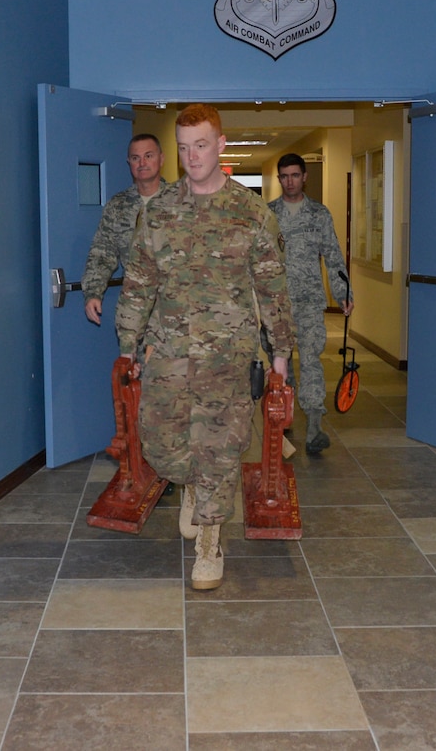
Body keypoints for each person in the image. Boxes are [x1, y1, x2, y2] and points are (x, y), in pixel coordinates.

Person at [115, 104, 294, 591]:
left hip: (227, 356)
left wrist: (280, 354)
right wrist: (129, 345)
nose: (192, 156)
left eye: (201, 145)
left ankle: (210, 543)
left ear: (220, 145)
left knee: (219, 447)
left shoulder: (250, 212)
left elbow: (272, 287)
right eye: (184, 146)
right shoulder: (159, 213)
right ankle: (191, 486)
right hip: (167, 351)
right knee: (163, 444)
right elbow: (138, 283)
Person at [267, 153, 353, 454]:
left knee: (312, 362)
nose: (289, 181)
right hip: (275, 304)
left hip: (309, 302)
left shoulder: (319, 214)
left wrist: (342, 292)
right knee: (281, 365)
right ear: (279, 179)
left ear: (305, 177)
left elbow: (333, 256)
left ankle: (315, 427)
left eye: (294, 175)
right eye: (284, 176)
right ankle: (282, 425)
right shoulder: (268, 215)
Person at [81, 133, 167, 325]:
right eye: (136, 158)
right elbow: (102, 253)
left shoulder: (180, 203)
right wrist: (93, 293)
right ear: (129, 162)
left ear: (161, 159)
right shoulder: (118, 206)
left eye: (149, 156)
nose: (142, 163)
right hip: (136, 310)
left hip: (177, 312)